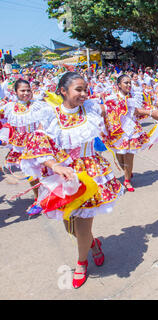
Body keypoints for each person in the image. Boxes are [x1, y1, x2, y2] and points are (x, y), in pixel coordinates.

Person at [19, 72, 123, 288]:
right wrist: (55, 166)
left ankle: (81, 263)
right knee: (69, 226)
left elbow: (119, 114)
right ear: (63, 91)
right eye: (79, 89)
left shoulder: (92, 109)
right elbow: (39, 145)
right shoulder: (51, 115)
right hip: (63, 176)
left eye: (86, 89)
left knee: (83, 223)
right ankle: (93, 244)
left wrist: (149, 112)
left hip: (90, 175)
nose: (84, 94)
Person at [103, 74, 158, 192]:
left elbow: (137, 111)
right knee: (120, 156)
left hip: (131, 131)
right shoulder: (111, 98)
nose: (129, 85)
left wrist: (151, 112)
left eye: (130, 83)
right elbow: (106, 112)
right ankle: (128, 172)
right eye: (126, 83)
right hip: (117, 132)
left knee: (129, 155)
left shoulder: (134, 97)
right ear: (119, 85)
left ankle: (127, 180)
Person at [1, 79, 46, 215]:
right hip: (22, 145)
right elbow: (4, 123)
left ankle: (47, 198)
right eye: (22, 90)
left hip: (40, 142)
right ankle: (39, 200)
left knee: (45, 172)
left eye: (28, 90)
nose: (26, 93)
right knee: (31, 174)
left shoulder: (39, 105)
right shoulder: (9, 107)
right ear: (16, 92)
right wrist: (4, 138)